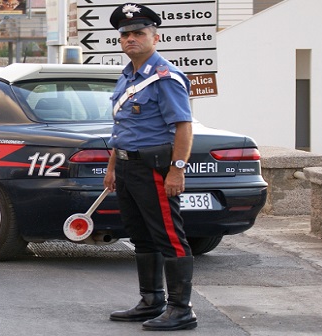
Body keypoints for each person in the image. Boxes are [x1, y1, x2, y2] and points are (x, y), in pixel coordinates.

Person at [103, 3, 197, 331]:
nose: (131, 38)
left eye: (138, 33)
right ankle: (151, 300)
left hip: (154, 169)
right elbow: (123, 128)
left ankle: (181, 309)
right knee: (140, 237)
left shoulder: (165, 78)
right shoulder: (128, 76)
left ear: (155, 37)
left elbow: (184, 127)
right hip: (128, 169)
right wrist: (113, 167)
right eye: (125, 34)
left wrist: (178, 169)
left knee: (169, 237)